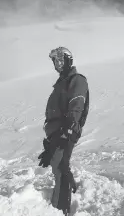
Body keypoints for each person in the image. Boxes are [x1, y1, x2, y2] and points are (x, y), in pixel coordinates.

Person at [38, 47, 89, 215]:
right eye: (55, 61)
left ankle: (60, 209)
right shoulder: (61, 83)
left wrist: (67, 130)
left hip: (66, 130)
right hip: (57, 132)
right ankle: (73, 190)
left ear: (69, 61)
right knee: (59, 164)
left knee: (60, 167)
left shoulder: (76, 80)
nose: (58, 64)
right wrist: (50, 144)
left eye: (61, 60)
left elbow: (77, 103)